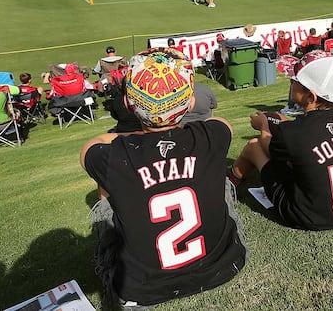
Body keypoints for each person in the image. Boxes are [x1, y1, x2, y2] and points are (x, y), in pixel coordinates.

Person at [80, 47, 247, 309]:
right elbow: (222, 123)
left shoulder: (114, 156)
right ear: (191, 102)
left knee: (106, 192)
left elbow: (91, 147)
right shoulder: (213, 136)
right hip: (223, 267)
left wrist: (138, 139)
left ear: (127, 103)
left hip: (141, 288)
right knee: (219, 179)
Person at [229, 50, 333, 230]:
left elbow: (268, 146)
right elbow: (314, 133)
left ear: (311, 97)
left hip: (309, 216)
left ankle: (229, 183)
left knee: (254, 147)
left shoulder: (291, 132)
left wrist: (264, 126)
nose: (291, 82)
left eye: (295, 81)